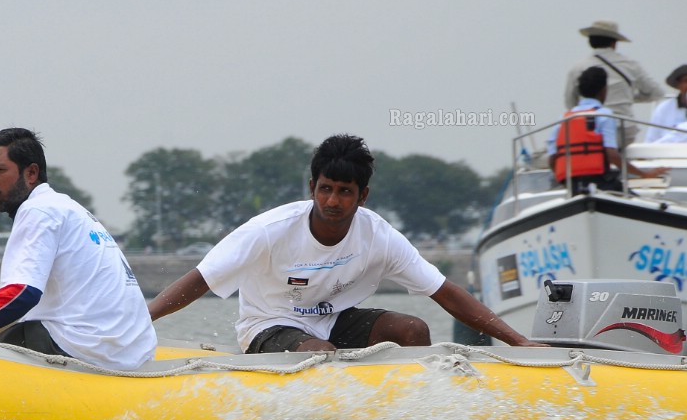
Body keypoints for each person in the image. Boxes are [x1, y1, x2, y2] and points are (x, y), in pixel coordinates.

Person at [147, 134, 545, 353]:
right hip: (267, 326)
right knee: (320, 354)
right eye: (325, 189)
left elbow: (446, 293)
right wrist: (137, 321)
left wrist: (518, 341)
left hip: (332, 319)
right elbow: (199, 279)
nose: (332, 202)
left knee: (413, 329)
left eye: (344, 192)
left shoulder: (379, 236)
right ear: (312, 188)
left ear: (363, 196)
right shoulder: (269, 230)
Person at [0, 128, 157, 370]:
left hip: (83, 349)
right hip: (129, 353)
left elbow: (21, 294)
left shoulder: (37, 211)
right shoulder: (68, 208)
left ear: (31, 173)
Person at [549, 66, 668, 194]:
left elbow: (552, 160)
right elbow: (612, 156)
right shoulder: (603, 115)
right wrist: (643, 174)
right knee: (636, 200)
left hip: (572, 186)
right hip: (600, 183)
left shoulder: (563, 119)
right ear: (604, 90)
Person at [564, 20, 664, 148]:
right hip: (623, 129)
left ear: (590, 41)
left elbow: (570, 103)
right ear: (613, 43)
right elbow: (656, 93)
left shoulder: (578, 67)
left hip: (591, 129)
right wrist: (629, 98)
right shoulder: (630, 65)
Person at [644, 64, 687, 143]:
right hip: (668, 153)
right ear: (678, 85)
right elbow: (651, 139)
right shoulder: (664, 108)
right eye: (686, 81)